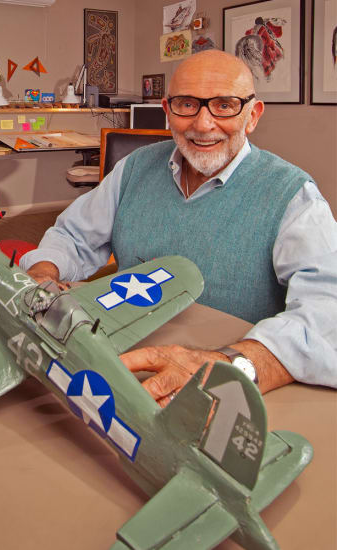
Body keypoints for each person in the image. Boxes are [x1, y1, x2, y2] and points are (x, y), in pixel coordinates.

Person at [19, 50, 337, 406]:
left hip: (229, 387)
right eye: (188, 104)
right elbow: (72, 236)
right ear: (168, 111)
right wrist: (43, 271)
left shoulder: (294, 196)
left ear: (252, 115)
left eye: (225, 105)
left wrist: (228, 367)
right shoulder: (133, 168)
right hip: (121, 367)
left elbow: (328, 312)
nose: (202, 124)